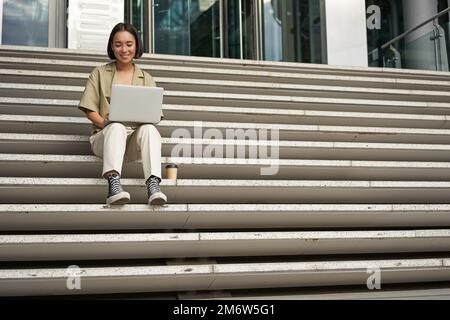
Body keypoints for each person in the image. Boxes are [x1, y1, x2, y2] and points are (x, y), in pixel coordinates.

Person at [78, 22, 167, 206]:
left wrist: (147, 116)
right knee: (116, 126)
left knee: (150, 129)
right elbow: (89, 109)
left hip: (133, 141)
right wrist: (105, 123)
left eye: (129, 44)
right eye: (118, 44)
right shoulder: (99, 73)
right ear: (112, 46)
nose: (124, 49)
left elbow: (156, 115)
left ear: (136, 45)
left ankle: (153, 185)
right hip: (105, 137)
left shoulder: (147, 78)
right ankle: (113, 185)